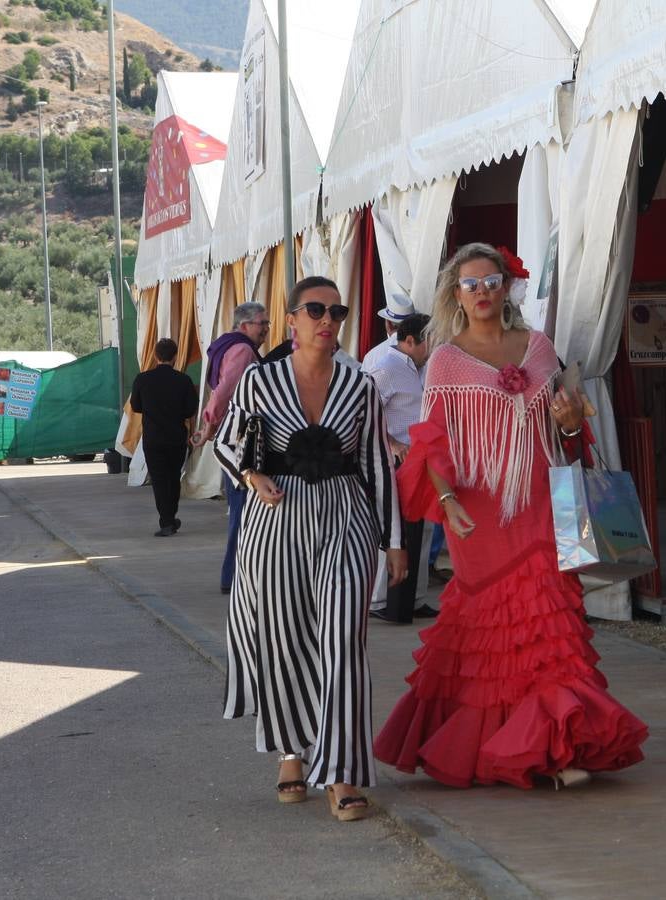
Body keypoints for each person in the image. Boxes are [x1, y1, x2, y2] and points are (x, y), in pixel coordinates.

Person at [374, 242, 648, 790]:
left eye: (491, 281)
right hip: (477, 510)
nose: (482, 292)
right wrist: (447, 500)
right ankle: (493, 743)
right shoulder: (446, 360)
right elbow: (430, 443)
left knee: (549, 625)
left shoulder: (539, 348)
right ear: (456, 293)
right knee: (489, 632)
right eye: (470, 284)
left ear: (507, 287)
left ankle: (558, 742)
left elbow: (569, 438)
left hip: (539, 501)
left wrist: (570, 422)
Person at [214, 275, 407, 821]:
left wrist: (394, 540)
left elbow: (375, 463)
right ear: (292, 320)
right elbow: (228, 441)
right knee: (285, 639)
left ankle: (341, 771)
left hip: (346, 518)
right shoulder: (258, 380)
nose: (328, 320)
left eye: (337, 312)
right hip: (275, 522)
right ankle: (293, 752)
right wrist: (251, 477)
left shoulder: (360, 387)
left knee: (343, 640)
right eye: (315, 310)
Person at [363, 311, 435, 624]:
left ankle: (415, 597)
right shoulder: (386, 367)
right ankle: (379, 598)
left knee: (425, 529)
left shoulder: (422, 366)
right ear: (409, 341)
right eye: (428, 342)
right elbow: (365, 411)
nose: (433, 348)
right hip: (396, 462)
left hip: (423, 459)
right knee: (393, 530)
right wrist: (392, 444)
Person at [195, 302, 269, 593]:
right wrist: (209, 424)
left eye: (267, 323)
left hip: (232, 436)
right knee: (243, 509)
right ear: (244, 326)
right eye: (261, 323)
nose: (265, 329)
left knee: (242, 508)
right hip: (241, 440)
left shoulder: (227, 346)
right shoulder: (242, 350)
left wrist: (210, 427)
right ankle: (234, 576)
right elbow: (225, 391)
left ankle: (237, 575)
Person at [129, 338, 199, 537]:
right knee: (173, 477)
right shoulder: (183, 380)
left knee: (159, 480)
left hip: (153, 438)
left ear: (155, 356)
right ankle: (170, 516)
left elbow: (136, 406)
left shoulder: (142, 379)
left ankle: (166, 520)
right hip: (176, 437)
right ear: (176, 356)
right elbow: (189, 410)